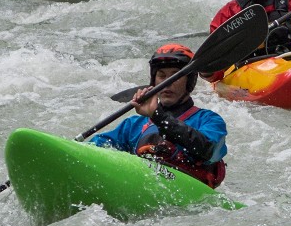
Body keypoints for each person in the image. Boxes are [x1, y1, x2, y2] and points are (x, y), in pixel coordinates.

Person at [89, 43, 230, 187]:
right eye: (162, 76)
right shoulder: (133, 126)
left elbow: (206, 150)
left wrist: (158, 117)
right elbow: (92, 150)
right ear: (154, 81)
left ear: (189, 81)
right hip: (143, 188)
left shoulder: (209, 120)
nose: (167, 84)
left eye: (175, 76)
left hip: (190, 200)